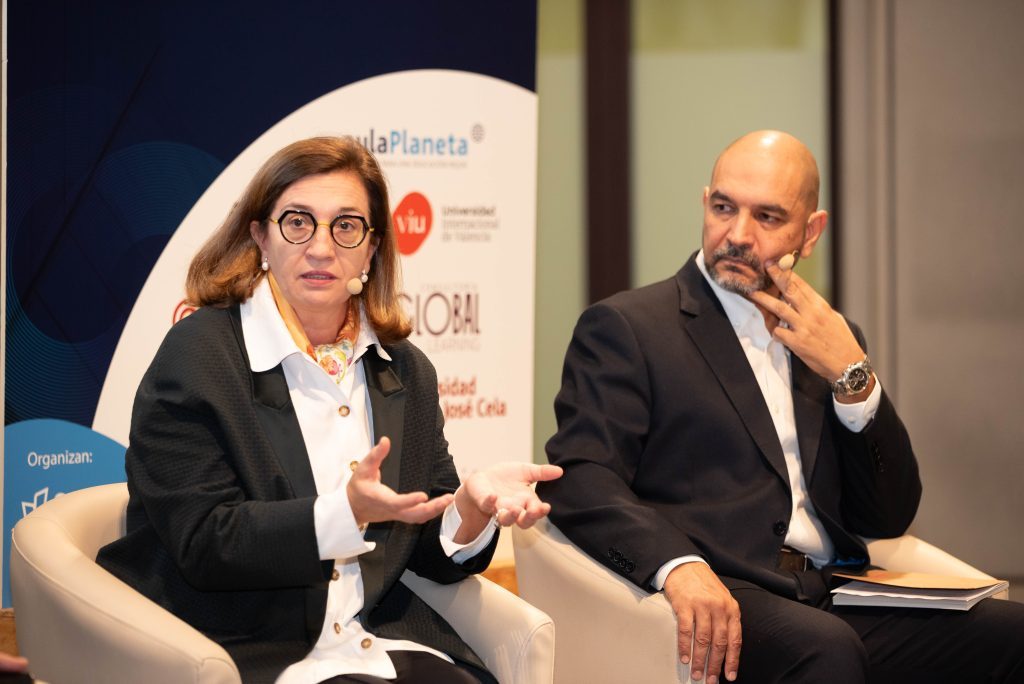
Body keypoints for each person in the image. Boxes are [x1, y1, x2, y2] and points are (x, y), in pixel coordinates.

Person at [537, 130, 1024, 683]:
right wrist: (677, 566)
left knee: (1012, 636)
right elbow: (581, 476)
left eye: (767, 217)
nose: (737, 235)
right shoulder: (629, 327)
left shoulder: (830, 338)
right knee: (827, 650)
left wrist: (853, 376)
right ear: (705, 203)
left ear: (810, 232)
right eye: (724, 208)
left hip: (833, 589)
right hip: (723, 589)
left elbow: (887, 517)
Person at [97, 136, 561, 684]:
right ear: (260, 236)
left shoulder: (405, 369)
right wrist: (343, 514)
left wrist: (469, 507)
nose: (321, 247)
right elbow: (204, 541)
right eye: (298, 222)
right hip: (255, 647)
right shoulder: (199, 355)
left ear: (372, 247)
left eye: (346, 226)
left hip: (379, 641)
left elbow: (422, 551)